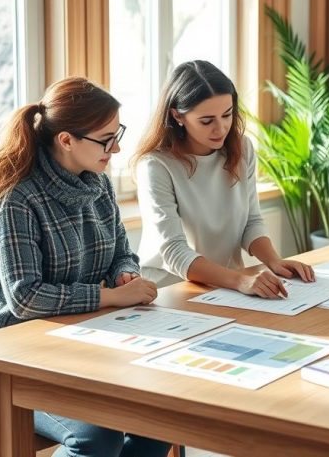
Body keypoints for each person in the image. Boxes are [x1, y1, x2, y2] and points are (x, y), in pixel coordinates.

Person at [0, 77, 170, 457]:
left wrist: (123, 274)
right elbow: (25, 299)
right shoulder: (16, 200)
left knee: (159, 417)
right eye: (107, 139)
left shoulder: (99, 185)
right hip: (11, 359)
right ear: (66, 140)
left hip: (81, 341)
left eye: (118, 134)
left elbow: (121, 253)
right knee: (97, 436)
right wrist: (109, 295)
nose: (118, 147)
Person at [130, 59, 314, 299]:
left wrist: (275, 261)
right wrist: (240, 280)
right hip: (170, 291)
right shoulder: (156, 165)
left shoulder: (242, 149)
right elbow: (174, 252)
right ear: (177, 116)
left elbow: (251, 221)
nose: (221, 128)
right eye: (207, 121)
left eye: (227, 114)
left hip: (227, 287)